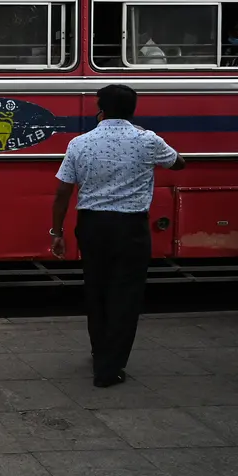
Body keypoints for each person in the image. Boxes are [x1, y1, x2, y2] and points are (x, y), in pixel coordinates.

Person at [50, 84, 185, 387]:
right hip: (131, 227)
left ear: (101, 109)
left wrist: (56, 232)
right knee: (126, 295)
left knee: (96, 290)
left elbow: (62, 192)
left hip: (92, 225)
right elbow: (179, 162)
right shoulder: (146, 140)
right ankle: (110, 368)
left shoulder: (80, 143)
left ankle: (100, 352)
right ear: (132, 110)